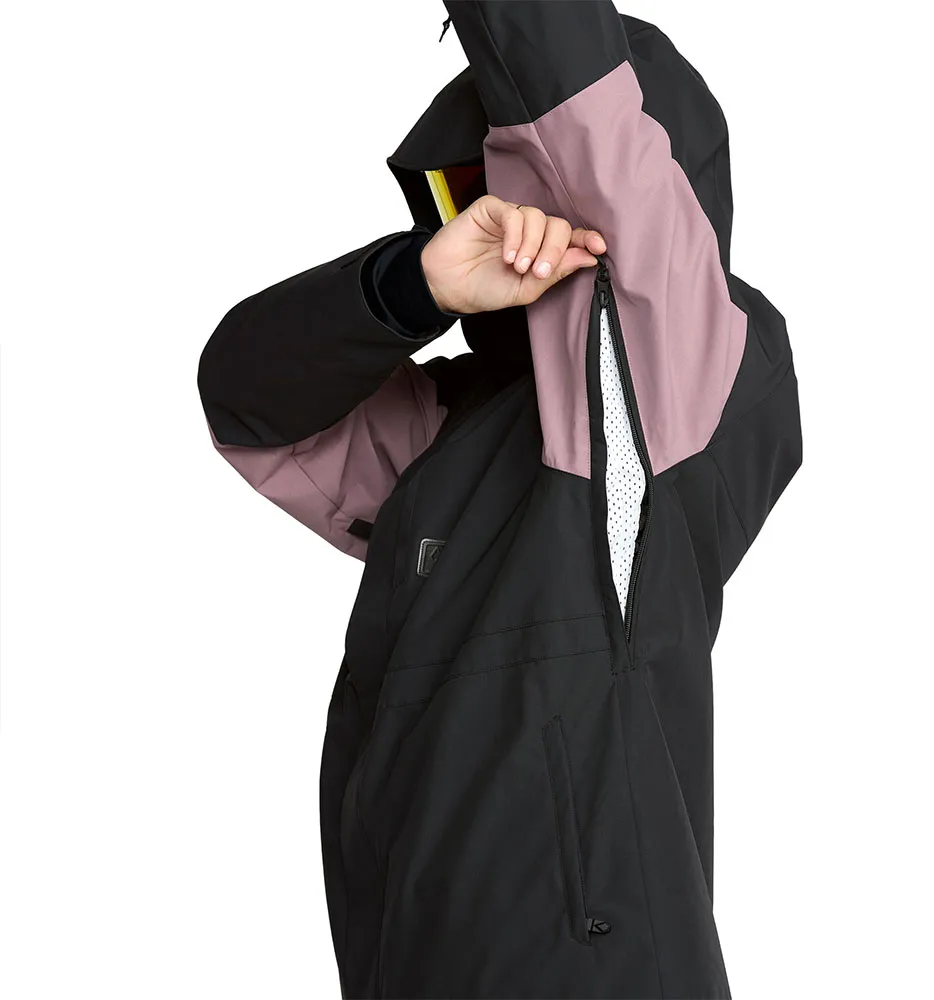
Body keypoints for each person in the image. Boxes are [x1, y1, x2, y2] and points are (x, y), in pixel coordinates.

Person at [197, 3, 801, 997]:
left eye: (518, 180)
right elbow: (250, 405)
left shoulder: (667, 385)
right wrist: (411, 288)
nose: (504, 218)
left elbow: (573, 101)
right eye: (466, 193)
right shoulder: (457, 433)